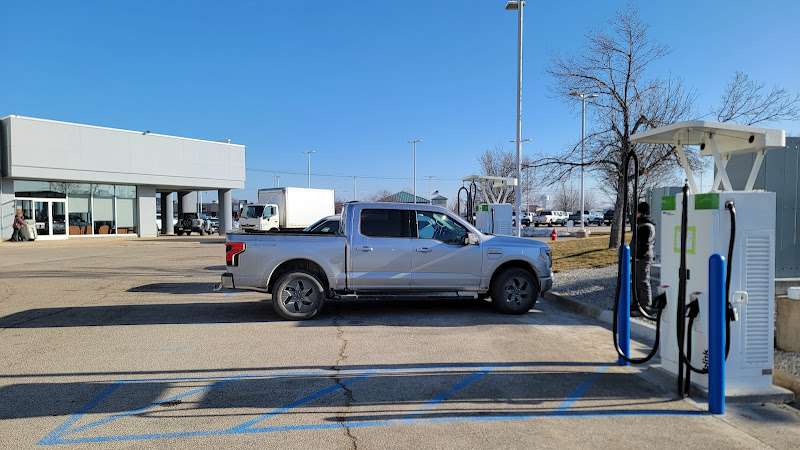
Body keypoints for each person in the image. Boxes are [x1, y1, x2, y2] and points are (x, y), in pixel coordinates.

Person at [632, 201, 655, 314]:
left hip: (642, 258)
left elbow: (644, 245)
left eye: (637, 211)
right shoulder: (643, 224)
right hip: (640, 257)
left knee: (643, 281)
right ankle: (637, 305)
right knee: (638, 281)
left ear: (641, 212)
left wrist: (638, 256)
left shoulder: (645, 226)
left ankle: (645, 306)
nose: (635, 213)